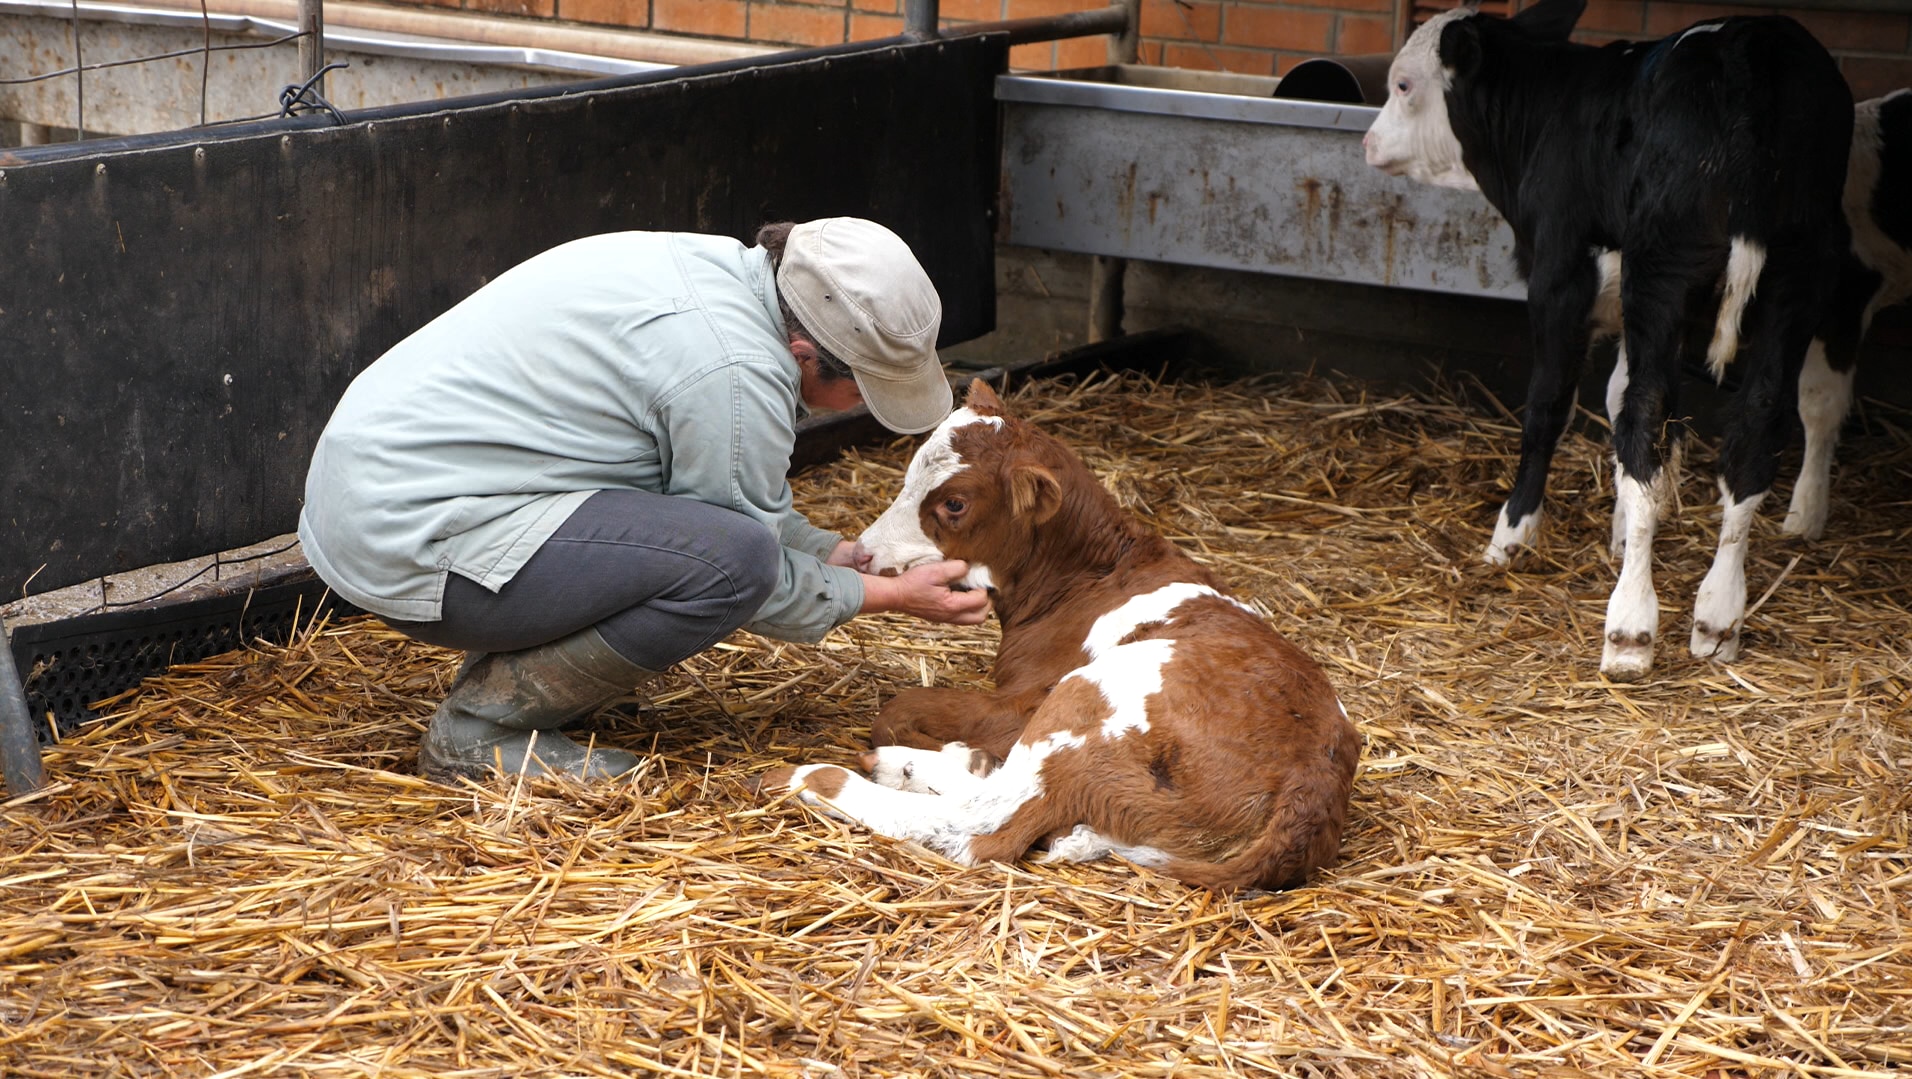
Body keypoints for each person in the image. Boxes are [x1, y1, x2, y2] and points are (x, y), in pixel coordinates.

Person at [298, 217, 991, 783]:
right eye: (865, 388)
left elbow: (714, 491)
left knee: (722, 542)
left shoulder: (714, 270)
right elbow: (743, 563)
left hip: (373, 493)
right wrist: (890, 597)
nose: (863, 407)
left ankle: (513, 673)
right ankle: (481, 732)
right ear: (808, 351)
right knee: (733, 565)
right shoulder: (734, 370)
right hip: (413, 538)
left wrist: (830, 554)